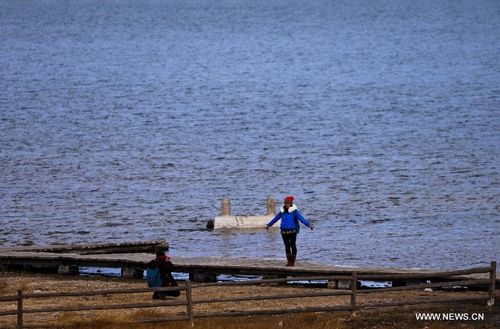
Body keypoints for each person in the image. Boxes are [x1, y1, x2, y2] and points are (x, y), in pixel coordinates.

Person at [266, 195, 314, 266]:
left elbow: (302, 219)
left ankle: (292, 262)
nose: (287, 204)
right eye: (285, 203)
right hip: (284, 231)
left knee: (293, 245)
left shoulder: (294, 211)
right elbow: (276, 218)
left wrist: (309, 225)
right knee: (287, 246)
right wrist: (268, 225)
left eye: (288, 203)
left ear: (291, 203)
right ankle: (289, 262)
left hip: (292, 231)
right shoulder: (282, 211)